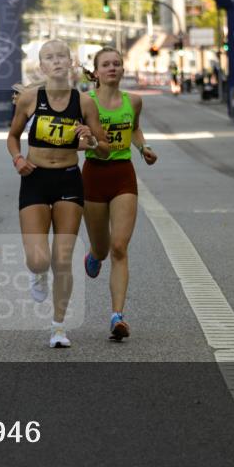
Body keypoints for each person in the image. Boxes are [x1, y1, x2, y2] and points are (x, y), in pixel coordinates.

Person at [7, 39, 109, 349]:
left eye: (61, 56)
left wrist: (90, 140)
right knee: (39, 260)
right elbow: (12, 137)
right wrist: (18, 159)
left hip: (68, 179)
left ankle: (58, 326)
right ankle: (37, 274)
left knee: (63, 258)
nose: (56, 61)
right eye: (49, 57)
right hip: (35, 178)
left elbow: (104, 150)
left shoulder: (85, 103)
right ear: (41, 66)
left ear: (71, 61)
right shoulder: (28, 98)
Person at [81, 48, 157, 342]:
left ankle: (117, 316)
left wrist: (143, 147)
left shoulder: (133, 101)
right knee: (102, 248)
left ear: (123, 70)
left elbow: (135, 129)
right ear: (96, 72)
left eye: (117, 64)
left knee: (120, 247)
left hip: (123, 174)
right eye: (106, 64)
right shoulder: (86, 102)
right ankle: (94, 254)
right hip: (94, 176)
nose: (112, 68)